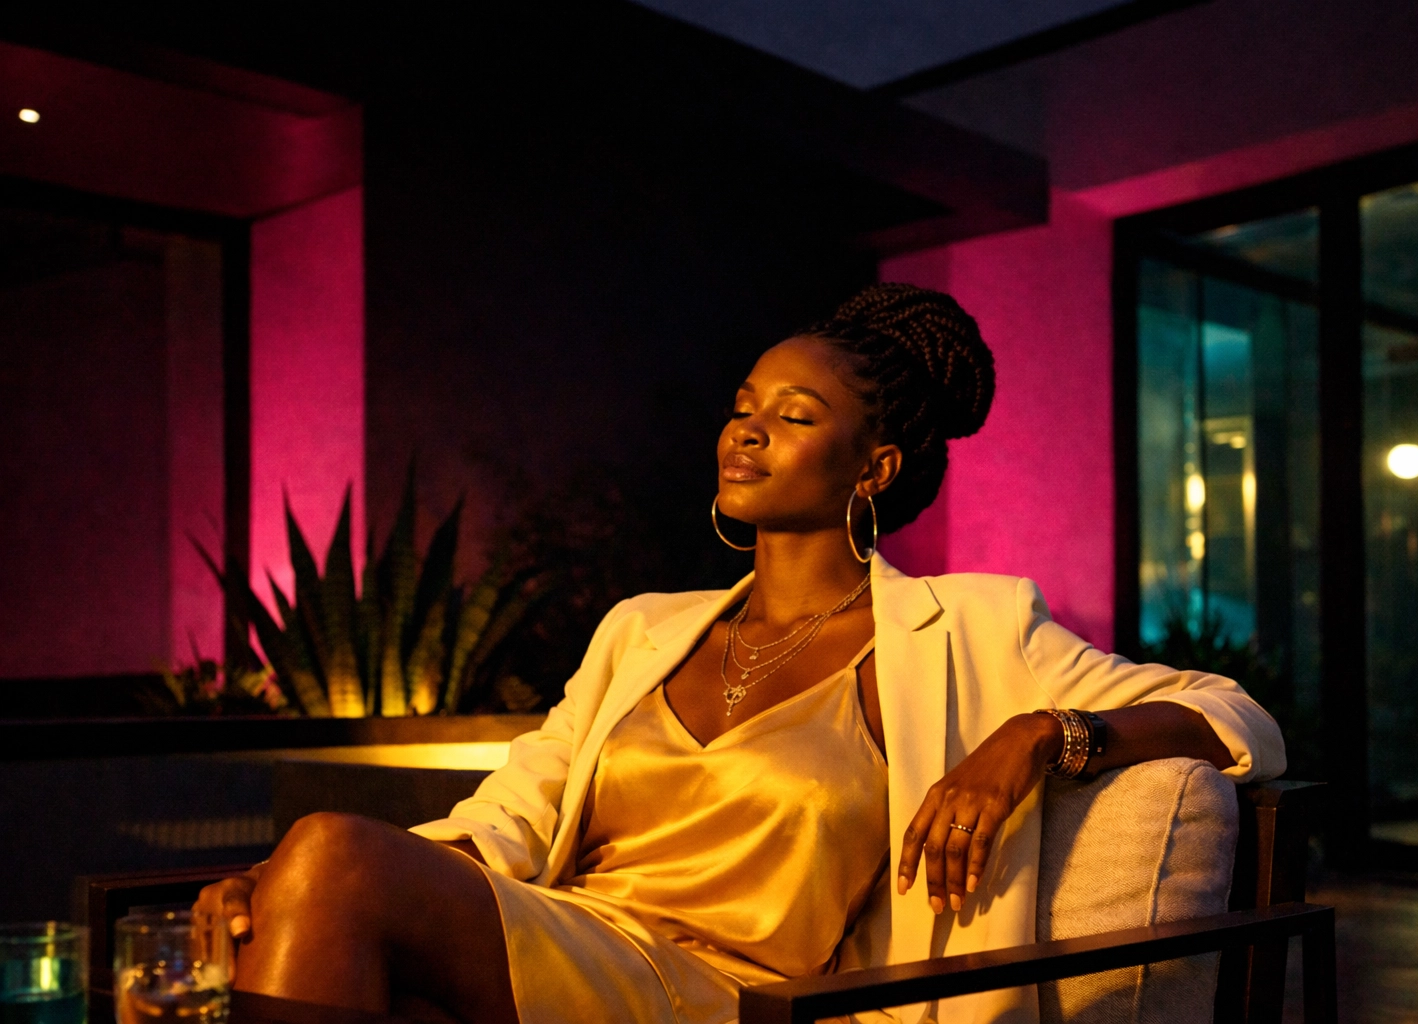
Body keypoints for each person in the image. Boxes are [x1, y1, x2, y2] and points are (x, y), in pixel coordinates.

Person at [197, 284, 1284, 1024]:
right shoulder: (644, 627)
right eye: (742, 407)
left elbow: (1237, 716)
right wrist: (290, 883)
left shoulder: (972, 627)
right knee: (321, 854)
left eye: (794, 415)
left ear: (875, 464)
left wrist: (1044, 735)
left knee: (333, 853)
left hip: (745, 997)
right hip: (575, 938)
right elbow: (507, 824)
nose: (746, 431)